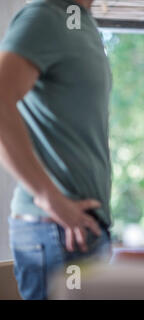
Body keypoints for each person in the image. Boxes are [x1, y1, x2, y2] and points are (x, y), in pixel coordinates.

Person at [0, 0, 112, 299]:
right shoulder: (45, 16)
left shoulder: (83, 23)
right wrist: (50, 198)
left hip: (83, 230)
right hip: (56, 232)